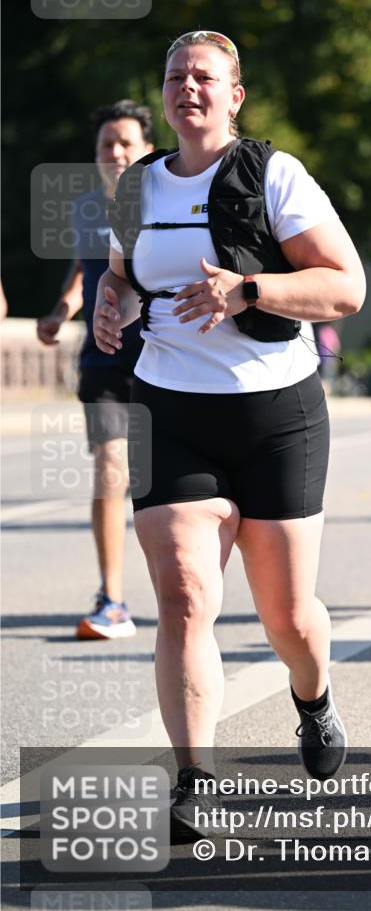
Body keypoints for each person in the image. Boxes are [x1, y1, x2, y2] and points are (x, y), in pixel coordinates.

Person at [92, 30, 365, 836]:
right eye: (176, 76)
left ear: (234, 94)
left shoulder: (273, 176)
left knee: (286, 616)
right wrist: (114, 301)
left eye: (205, 77)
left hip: (275, 415)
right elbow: (122, 272)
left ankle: (312, 700)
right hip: (170, 411)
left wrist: (249, 288)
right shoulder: (138, 189)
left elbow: (344, 286)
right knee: (182, 599)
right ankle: (195, 778)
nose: (188, 88)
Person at [37, 100, 154, 639]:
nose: (115, 152)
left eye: (126, 142)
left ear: (147, 149)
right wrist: (63, 310)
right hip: (105, 360)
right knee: (111, 464)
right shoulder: (88, 209)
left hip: (167, 359)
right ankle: (113, 599)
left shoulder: (166, 201)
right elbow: (86, 274)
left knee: (171, 486)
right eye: (107, 144)